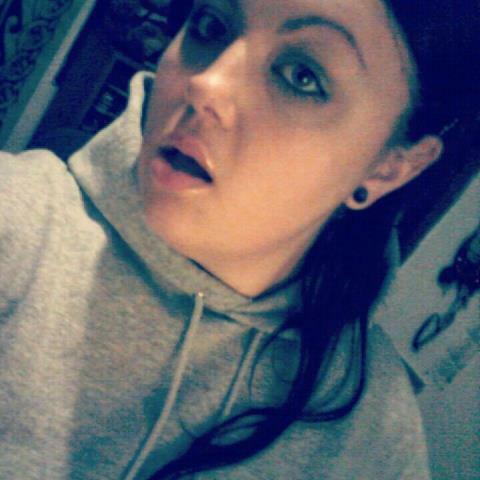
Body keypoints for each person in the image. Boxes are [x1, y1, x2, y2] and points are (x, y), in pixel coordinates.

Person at [0, 0, 478, 479]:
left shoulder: (373, 433)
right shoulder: (15, 221)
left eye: (302, 76)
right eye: (211, 25)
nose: (205, 84)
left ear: (390, 167)